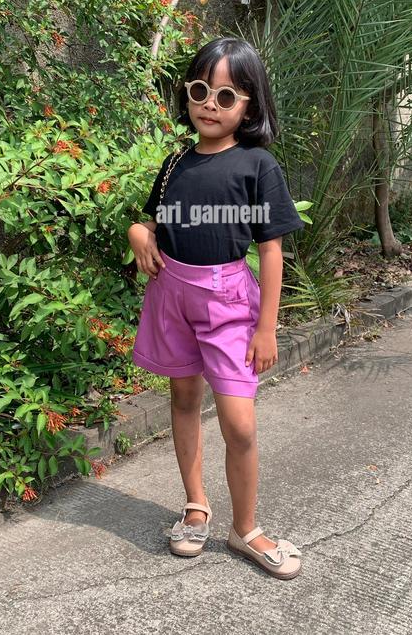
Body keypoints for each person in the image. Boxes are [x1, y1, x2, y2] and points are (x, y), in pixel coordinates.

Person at [127, 37, 305, 579]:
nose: (210, 104)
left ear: (249, 105)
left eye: (226, 96)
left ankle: (245, 528)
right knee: (184, 398)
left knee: (239, 423)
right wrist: (138, 232)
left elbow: (271, 250)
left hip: (228, 301)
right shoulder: (175, 163)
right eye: (200, 90)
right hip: (172, 295)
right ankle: (196, 506)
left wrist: (267, 328)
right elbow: (155, 221)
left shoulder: (258, 166)